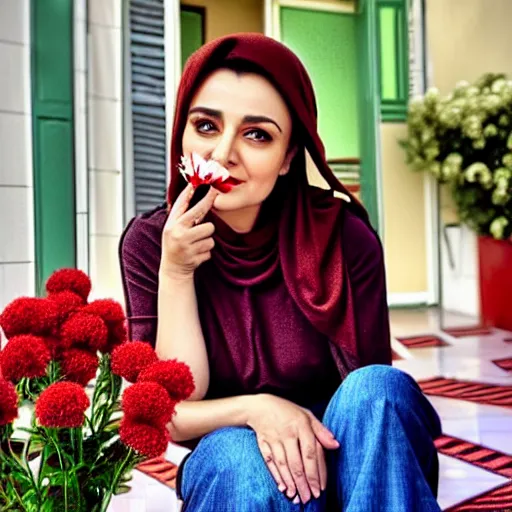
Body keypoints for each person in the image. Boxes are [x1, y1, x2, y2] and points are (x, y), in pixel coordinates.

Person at [119, 33, 442, 511]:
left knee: (378, 390)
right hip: (236, 458)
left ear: (291, 156)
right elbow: (171, 412)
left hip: (347, 456)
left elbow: (372, 416)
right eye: (206, 125)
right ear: (180, 134)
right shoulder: (151, 243)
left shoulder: (345, 238)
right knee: (234, 455)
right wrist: (177, 272)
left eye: (257, 134)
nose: (223, 153)